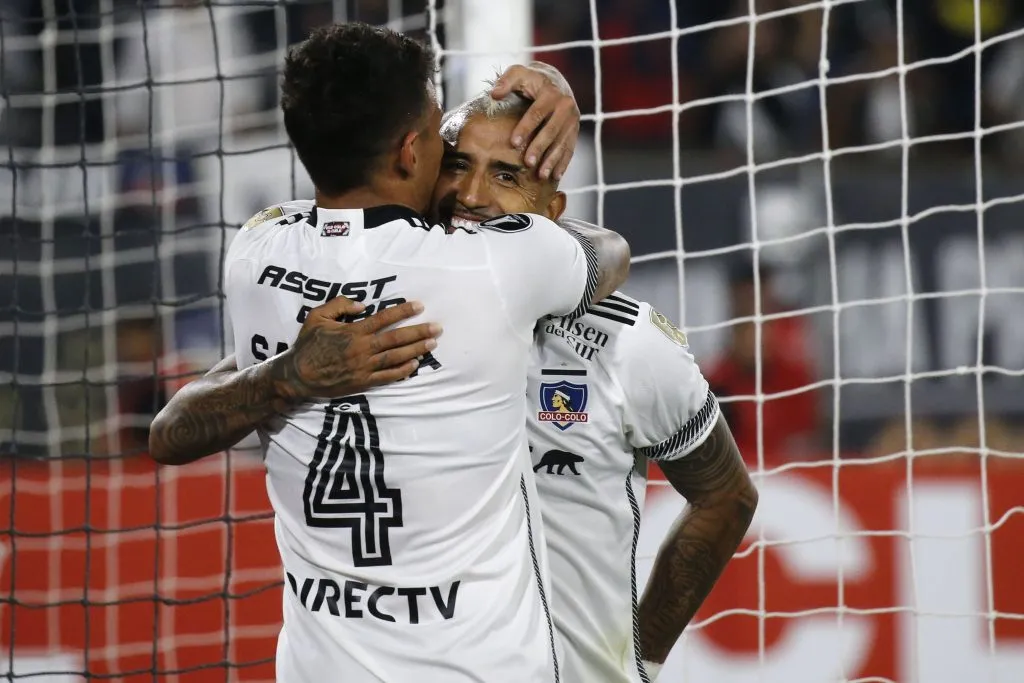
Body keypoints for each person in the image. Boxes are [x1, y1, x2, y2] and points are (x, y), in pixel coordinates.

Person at [151, 22, 630, 683]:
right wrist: (556, 98)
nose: (452, 157)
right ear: (410, 152)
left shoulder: (256, 253)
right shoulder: (498, 267)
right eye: (443, 135)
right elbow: (609, 254)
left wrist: (288, 376)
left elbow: (170, 432)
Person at [432, 88, 758, 682]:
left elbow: (726, 497)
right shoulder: (399, 314)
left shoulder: (628, 344)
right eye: (458, 164)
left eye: (504, 175)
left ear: (551, 211)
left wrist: (643, 657)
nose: (470, 194)